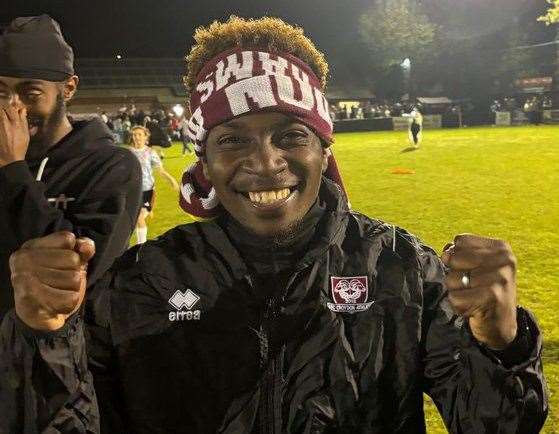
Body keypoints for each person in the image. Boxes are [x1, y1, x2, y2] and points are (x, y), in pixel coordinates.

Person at [0, 16, 547, 434]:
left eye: (290, 134)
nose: (264, 163)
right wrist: (44, 335)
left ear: (323, 146)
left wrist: (501, 342)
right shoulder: (144, 281)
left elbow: (496, 423)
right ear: (205, 160)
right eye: (234, 139)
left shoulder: (400, 268)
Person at [0, 15, 142, 320]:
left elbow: (77, 273)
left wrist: (13, 170)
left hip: (66, 356)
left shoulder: (112, 165)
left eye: (30, 93)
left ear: (69, 88)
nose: (13, 106)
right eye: (2, 92)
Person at [128, 125, 179, 244]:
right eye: (134, 135)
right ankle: (148, 212)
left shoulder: (150, 152)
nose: (137, 137)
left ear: (146, 137)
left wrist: (171, 179)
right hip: (132, 192)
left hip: (147, 192)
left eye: (140, 134)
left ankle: (141, 247)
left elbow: (160, 170)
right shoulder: (128, 152)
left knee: (139, 218)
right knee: (134, 219)